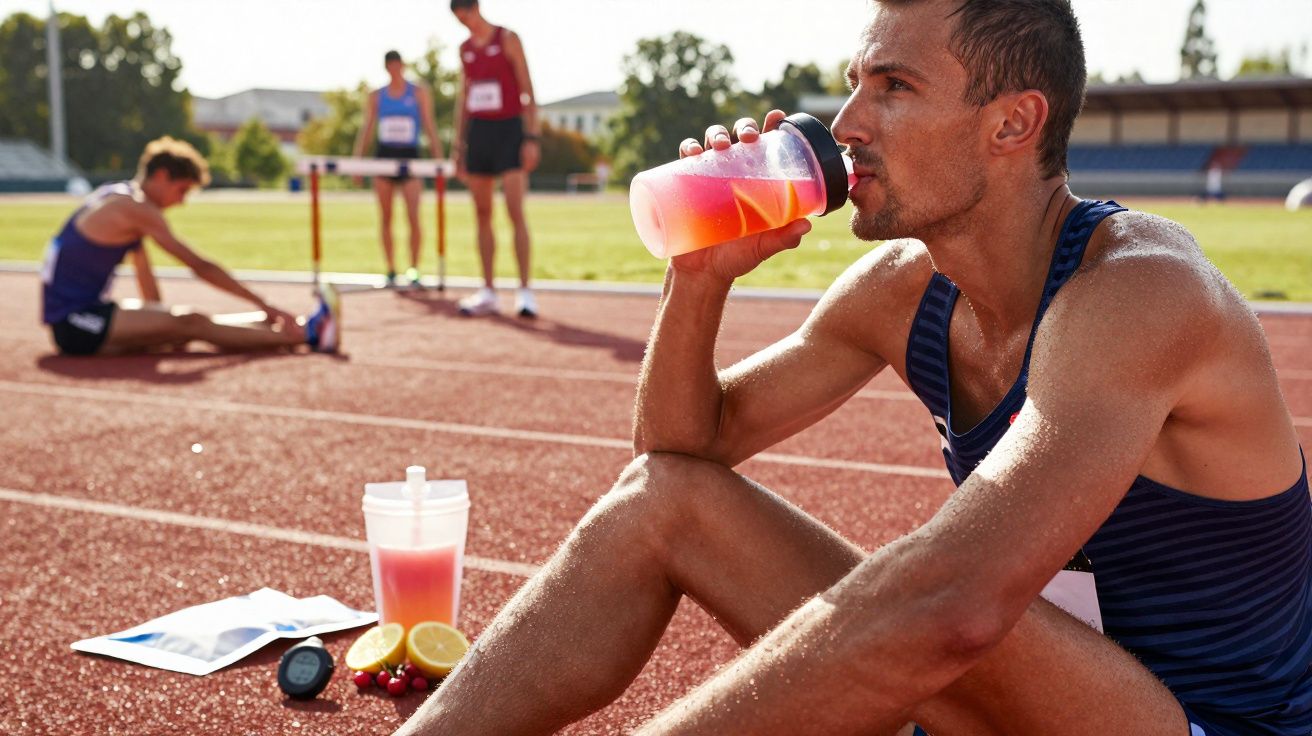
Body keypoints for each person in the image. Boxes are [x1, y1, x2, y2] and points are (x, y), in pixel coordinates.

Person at [397, 1, 1311, 734]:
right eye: (852, 84)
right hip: (1017, 694)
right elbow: (681, 446)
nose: (845, 123)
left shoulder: (1141, 294)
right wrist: (699, 281)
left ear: (1012, 123)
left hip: (1204, 719)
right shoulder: (904, 291)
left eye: (894, 86)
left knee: (935, 594)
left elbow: (953, 605)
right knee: (660, 504)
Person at [42, 136, 341, 356]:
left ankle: (284, 325)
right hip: (75, 323)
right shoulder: (136, 208)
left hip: (87, 313)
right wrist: (263, 302)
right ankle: (307, 336)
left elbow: (144, 273)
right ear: (161, 176)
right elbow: (199, 266)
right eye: (181, 189)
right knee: (191, 321)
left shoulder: (117, 196)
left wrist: (159, 321)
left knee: (179, 325)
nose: (182, 200)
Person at [450, 0, 540, 318]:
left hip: (509, 131)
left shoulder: (507, 39)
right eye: (460, 20)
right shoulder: (464, 49)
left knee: (515, 210)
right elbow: (464, 96)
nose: (466, 24)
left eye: (468, 16)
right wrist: (458, 146)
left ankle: (525, 292)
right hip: (479, 133)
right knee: (482, 213)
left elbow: (528, 89)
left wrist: (531, 137)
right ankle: (488, 291)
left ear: (477, 8)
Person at [355, 50, 444, 288]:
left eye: (399, 65)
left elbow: (429, 124)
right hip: (384, 157)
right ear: (386, 68)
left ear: (403, 66)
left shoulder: (418, 92)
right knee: (386, 217)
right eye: (391, 66)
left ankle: (413, 268)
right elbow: (367, 127)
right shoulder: (377, 96)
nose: (395, 70)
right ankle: (391, 269)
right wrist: (358, 162)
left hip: (410, 157)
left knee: (413, 216)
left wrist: (438, 160)